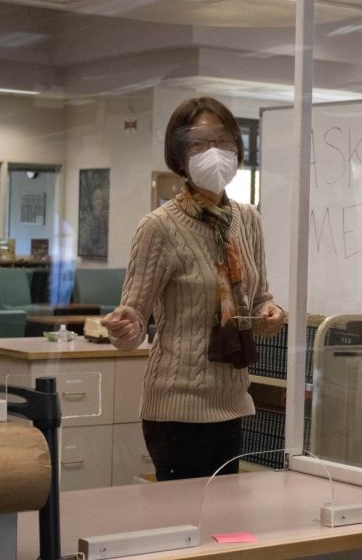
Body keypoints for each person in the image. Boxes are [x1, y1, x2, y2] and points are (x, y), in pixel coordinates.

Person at [102, 96, 284, 480]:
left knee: (223, 527)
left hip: (233, 400)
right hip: (176, 405)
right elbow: (133, 322)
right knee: (186, 526)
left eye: (223, 141)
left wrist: (271, 314)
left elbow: (261, 297)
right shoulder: (159, 227)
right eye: (199, 144)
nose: (213, 153)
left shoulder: (247, 220)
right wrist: (124, 326)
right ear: (179, 156)